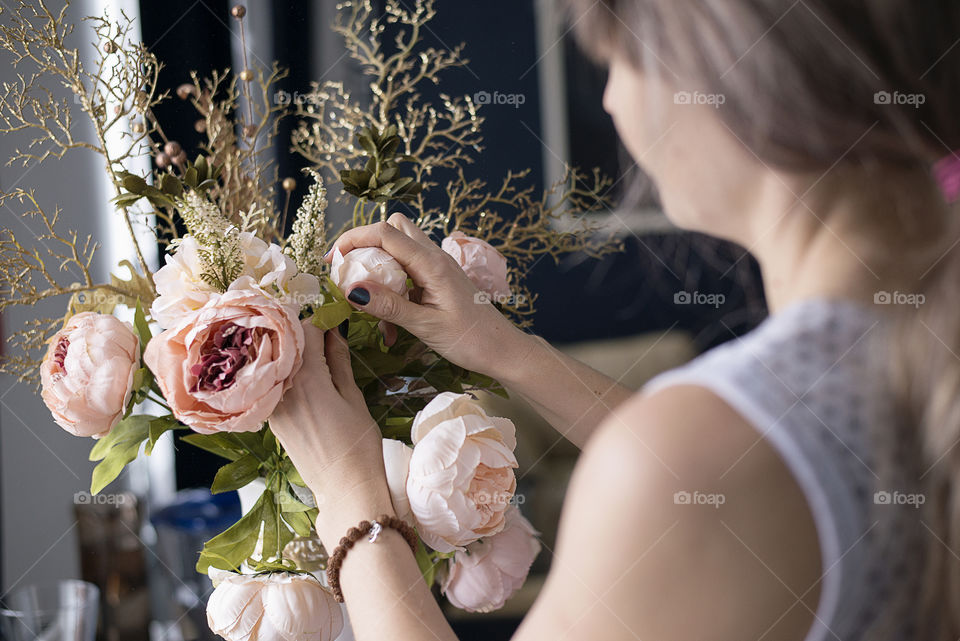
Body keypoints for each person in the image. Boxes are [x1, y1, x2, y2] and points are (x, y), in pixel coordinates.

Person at [269, 1, 960, 639]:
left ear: (721, 70)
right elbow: (734, 476)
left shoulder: (707, 451)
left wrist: (351, 499)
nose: (610, 99)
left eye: (618, 60)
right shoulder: (908, 341)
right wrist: (499, 347)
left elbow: (700, 479)